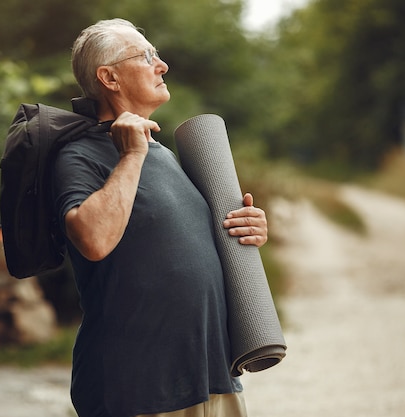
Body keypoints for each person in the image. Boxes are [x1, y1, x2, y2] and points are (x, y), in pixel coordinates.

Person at [52, 18, 268, 417]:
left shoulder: (167, 155)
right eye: (146, 56)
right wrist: (131, 154)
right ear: (109, 78)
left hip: (212, 379)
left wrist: (249, 227)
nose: (162, 64)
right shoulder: (79, 155)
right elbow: (93, 240)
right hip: (137, 389)